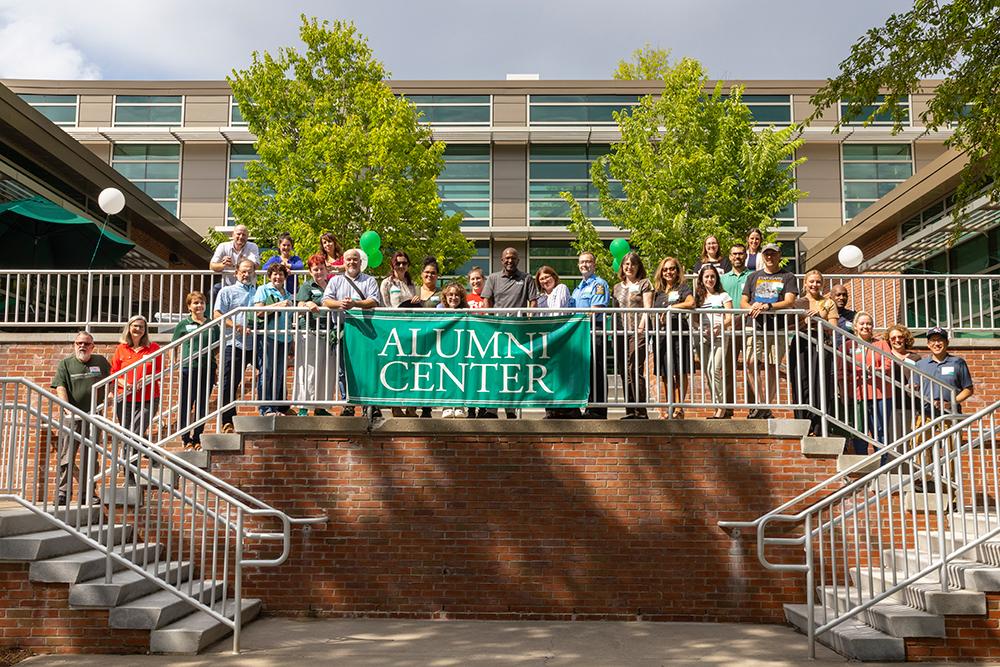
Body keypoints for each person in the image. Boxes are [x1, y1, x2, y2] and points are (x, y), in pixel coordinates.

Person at [50, 331, 110, 505]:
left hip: (93, 417)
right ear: (74, 345)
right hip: (72, 417)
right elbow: (60, 387)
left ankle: (88, 493)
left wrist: (110, 397)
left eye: (86, 343)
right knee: (66, 455)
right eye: (78, 343)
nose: (82, 346)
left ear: (92, 346)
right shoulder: (66, 364)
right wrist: (68, 410)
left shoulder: (101, 362)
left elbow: (111, 381)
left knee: (90, 457)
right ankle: (63, 493)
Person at [741, 242, 798, 419]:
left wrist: (769, 306)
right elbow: (743, 301)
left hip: (776, 328)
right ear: (762, 256)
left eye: (773, 254)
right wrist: (752, 307)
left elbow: (789, 301)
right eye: (766, 254)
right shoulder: (753, 277)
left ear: (779, 256)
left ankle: (766, 406)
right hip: (754, 326)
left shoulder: (787, 276)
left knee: (772, 366)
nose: (769, 257)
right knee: (750, 363)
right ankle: (760, 403)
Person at [321, 248, 381, 417]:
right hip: (343, 330)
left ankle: (368, 404)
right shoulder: (335, 281)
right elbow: (326, 301)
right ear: (344, 262)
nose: (352, 262)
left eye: (355, 259)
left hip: (365, 331)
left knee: (366, 368)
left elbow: (373, 300)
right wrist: (340, 304)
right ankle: (348, 403)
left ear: (360, 262)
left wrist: (355, 304)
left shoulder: (369, 280)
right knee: (343, 369)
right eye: (348, 260)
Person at [480, 247, 538, 418]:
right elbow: (486, 301)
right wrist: (490, 322)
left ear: (518, 260)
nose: (509, 261)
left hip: (517, 333)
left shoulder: (527, 278)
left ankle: (510, 409)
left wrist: (527, 323)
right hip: (497, 332)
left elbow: (533, 302)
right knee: (495, 370)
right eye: (506, 258)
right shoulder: (493, 278)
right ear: (502, 260)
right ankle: (491, 410)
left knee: (513, 371)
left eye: (513, 258)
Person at [788, 270, 839, 436]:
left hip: (820, 343)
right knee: (800, 381)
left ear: (822, 284)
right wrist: (803, 321)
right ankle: (803, 423)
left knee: (819, 383)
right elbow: (788, 326)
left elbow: (834, 328)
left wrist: (819, 319)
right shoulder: (797, 302)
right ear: (805, 283)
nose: (814, 285)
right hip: (800, 343)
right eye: (811, 281)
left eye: (818, 282)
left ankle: (818, 426)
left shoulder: (829, 302)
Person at [213, 258, 260, 434]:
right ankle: (227, 421)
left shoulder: (258, 292)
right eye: (243, 271)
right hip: (234, 343)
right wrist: (236, 326)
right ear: (236, 273)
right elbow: (217, 314)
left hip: (256, 342)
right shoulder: (227, 291)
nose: (246, 274)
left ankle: (277, 408)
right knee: (228, 383)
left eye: (250, 271)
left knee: (270, 372)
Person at [171, 291, 218, 450]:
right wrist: (175, 361)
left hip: (207, 368)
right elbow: (174, 345)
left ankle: (197, 437)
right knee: (186, 402)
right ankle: (186, 438)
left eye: (202, 303)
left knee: (202, 405)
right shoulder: (183, 324)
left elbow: (217, 346)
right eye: (195, 303)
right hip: (188, 368)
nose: (199, 306)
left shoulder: (212, 324)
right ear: (189, 306)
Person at [293, 254, 337, 417]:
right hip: (311, 331)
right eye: (315, 269)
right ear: (311, 272)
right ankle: (303, 407)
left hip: (329, 332)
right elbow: (299, 304)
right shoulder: (306, 286)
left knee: (327, 371)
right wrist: (307, 303)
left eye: (321, 268)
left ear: (326, 269)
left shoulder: (332, 285)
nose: (319, 272)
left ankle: (321, 407)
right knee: (308, 370)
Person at [652, 257, 694, 419]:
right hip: (661, 336)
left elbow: (691, 303)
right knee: (665, 373)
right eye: (665, 269)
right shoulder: (658, 292)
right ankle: (670, 408)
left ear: (677, 271)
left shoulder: (682, 288)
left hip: (679, 335)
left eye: (671, 269)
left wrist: (671, 307)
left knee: (680, 371)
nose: (668, 272)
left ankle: (678, 407)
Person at [613, 252, 653, 420]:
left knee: (634, 368)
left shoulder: (644, 283)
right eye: (626, 264)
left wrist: (642, 326)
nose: (629, 267)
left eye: (633, 264)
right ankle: (629, 410)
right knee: (624, 370)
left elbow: (648, 308)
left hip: (638, 331)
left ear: (638, 267)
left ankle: (640, 410)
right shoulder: (616, 287)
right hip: (621, 332)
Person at [110, 315, 162, 440]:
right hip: (124, 398)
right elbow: (114, 372)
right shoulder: (121, 349)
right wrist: (123, 383)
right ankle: (152, 458)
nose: (138, 329)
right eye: (135, 326)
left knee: (135, 433)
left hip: (148, 398)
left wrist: (148, 378)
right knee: (127, 434)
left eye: (142, 327)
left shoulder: (153, 348)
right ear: (129, 328)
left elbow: (160, 370)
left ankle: (126, 459)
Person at [571, 252, 610, 419]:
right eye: (581, 262)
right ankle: (588, 406)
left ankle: (598, 409)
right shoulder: (578, 288)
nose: (584, 265)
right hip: (580, 332)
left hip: (595, 329)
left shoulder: (599, 284)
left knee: (597, 369)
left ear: (594, 264)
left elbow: (596, 309)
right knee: (585, 370)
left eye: (588, 262)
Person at [253, 263, 294, 416]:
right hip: (269, 337)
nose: (278, 277)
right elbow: (258, 311)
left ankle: (275, 408)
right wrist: (279, 304)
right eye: (275, 274)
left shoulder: (288, 294)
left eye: (281, 274)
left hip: (285, 338)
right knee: (267, 372)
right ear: (270, 276)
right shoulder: (262, 289)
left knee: (279, 374)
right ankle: (265, 408)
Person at [694, 265, 733, 419]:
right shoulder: (699, 297)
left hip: (720, 336)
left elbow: (730, 317)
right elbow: (694, 320)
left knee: (713, 369)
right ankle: (717, 406)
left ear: (716, 279)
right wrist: (701, 329)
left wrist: (720, 326)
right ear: (701, 280)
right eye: (706, 277)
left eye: (712, 276)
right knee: (707, 372)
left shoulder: (723, 296)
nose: (709, 279)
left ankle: (722, 408)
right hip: (703, 337)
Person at [847, 312, 890, 455]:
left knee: (880, 432)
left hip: (880, 395)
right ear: (855, 326)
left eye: (869, 323)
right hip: (857, 395)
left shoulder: (881, 344)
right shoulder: (848, 345)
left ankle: (884, 468)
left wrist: (877, 369)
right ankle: (863, 468)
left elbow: (889, 363)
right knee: (860, 432)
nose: (866, 326)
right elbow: (841, 371)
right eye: (862, 323)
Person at [535, 266, 574, 419]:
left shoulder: (561, 288)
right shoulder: (540, 298)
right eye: (541, 279)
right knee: (547, 374)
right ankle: (550, 410)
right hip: (546, 339)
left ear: (554, 276)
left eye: (547, 277)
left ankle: (567, 409)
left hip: (560, 337)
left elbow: (558, 312)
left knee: (562, 373)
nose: (545, 280)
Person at [437, 283, 468, 419]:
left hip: (461, 347)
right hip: (444, 346)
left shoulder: (466, 310)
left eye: (456, 295)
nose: (453, 297)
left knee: (460, 374)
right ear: (445, 296)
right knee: (445, 375)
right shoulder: (439, 309)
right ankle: (447, 406)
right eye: (450, 295)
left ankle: (460, 405)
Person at [209, 225, 260, 305]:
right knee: (213, 291)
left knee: (260, 294)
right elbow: (212, 266)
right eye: (238, 234)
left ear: (247, 237)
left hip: (248, 284)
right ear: (233, 235)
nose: (241, 237)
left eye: (244, 235)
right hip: (227, 285)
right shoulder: (223, 246)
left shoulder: (252, 246)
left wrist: (236, 264)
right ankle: (215, 316)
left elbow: (256, 265)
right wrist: (223, 264)